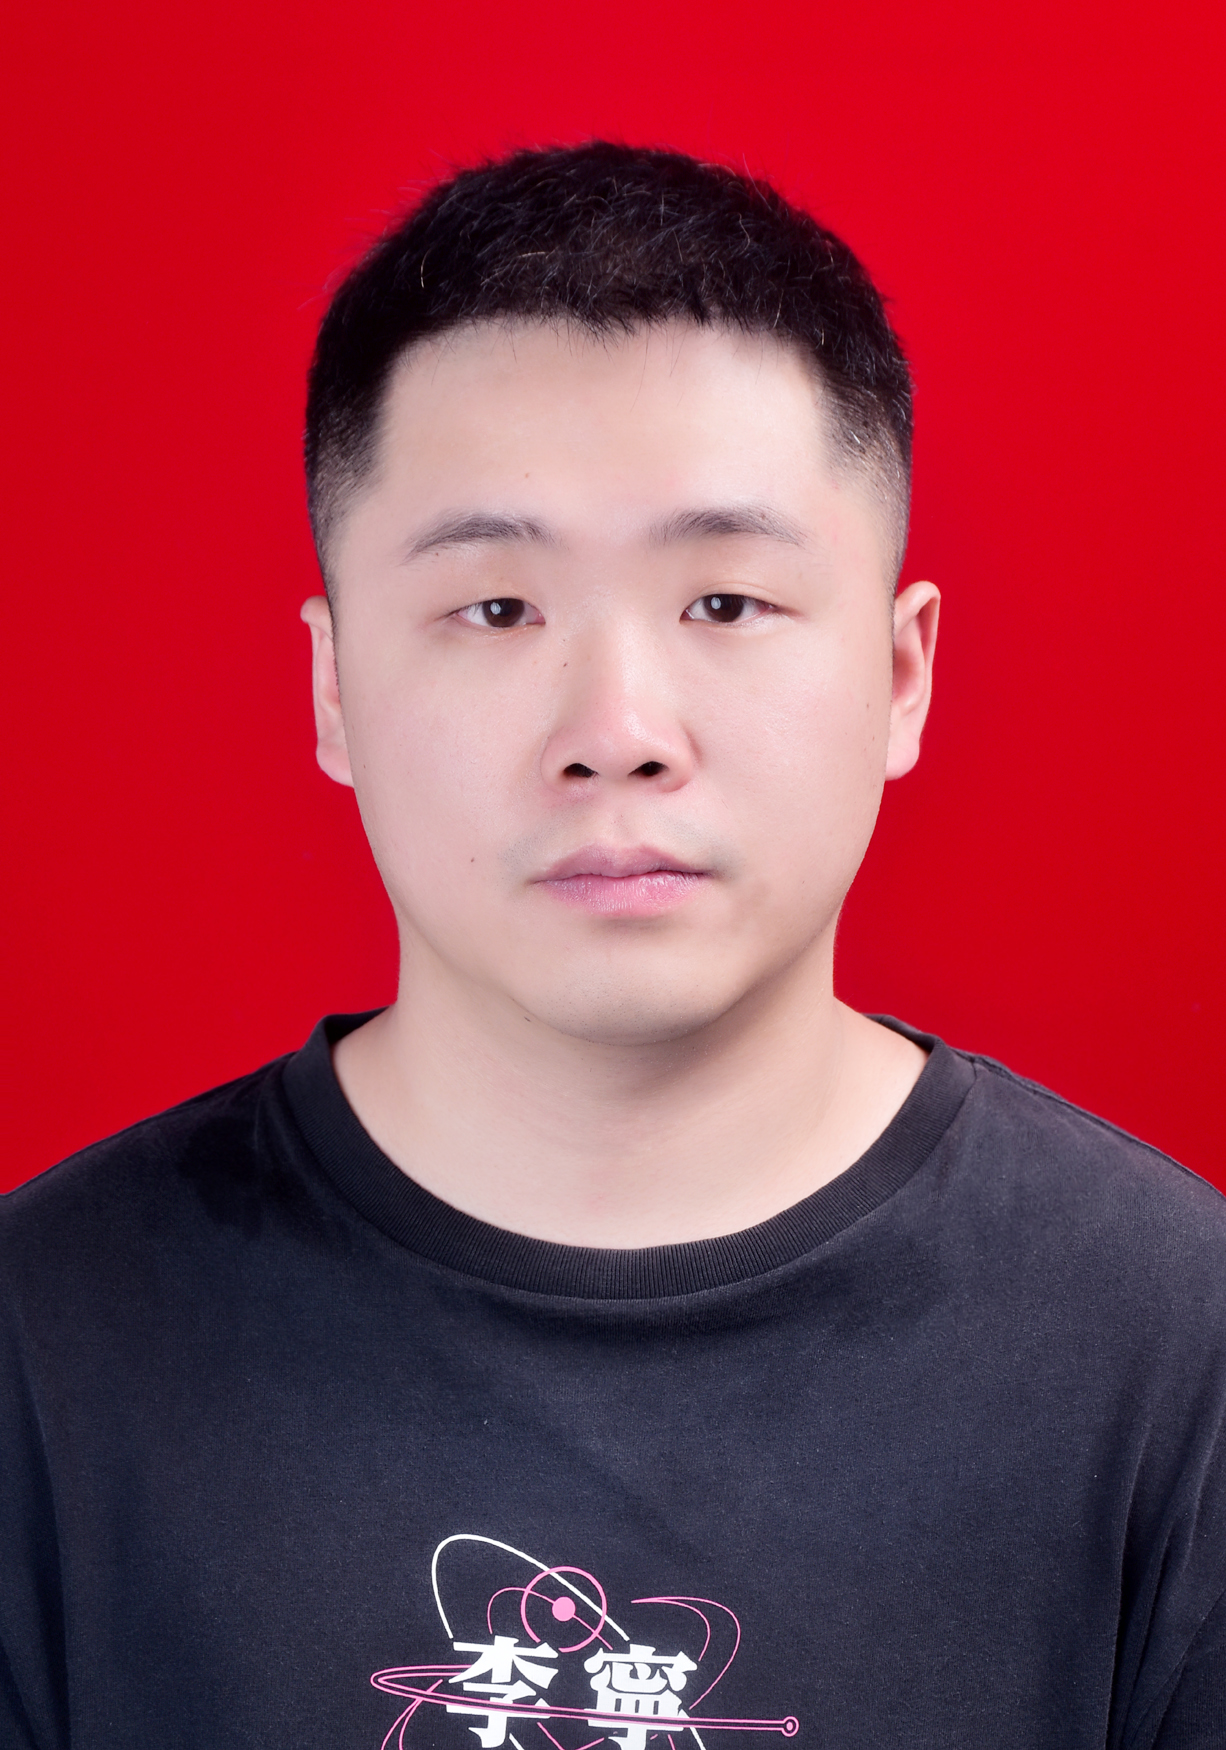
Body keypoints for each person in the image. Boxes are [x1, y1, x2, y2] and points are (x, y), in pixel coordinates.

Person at [1, 143, 1222, 1750]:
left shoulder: (1177, 1348)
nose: (617, 730)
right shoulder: (39, 1346)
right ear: (332, 688)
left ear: (902, 674)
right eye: (497, 609)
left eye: (724, 603)